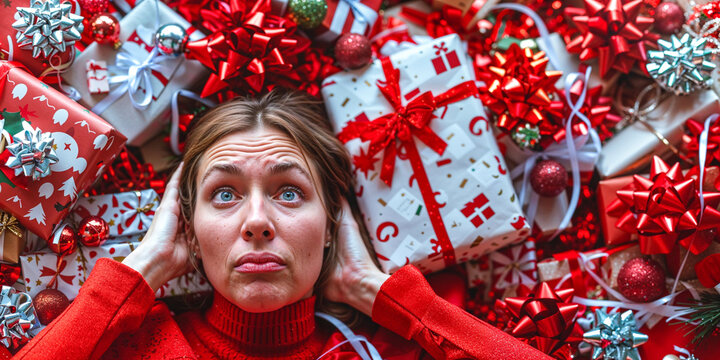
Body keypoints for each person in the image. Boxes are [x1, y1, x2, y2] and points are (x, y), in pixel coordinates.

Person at [14, 90, 552, 360]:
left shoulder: (400, 346)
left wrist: (383, 298)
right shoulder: (136, 345)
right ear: (187, 227)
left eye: (289, 191)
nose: (256, 222)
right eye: (223, 194)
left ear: (331, 222)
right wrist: (144, 269)